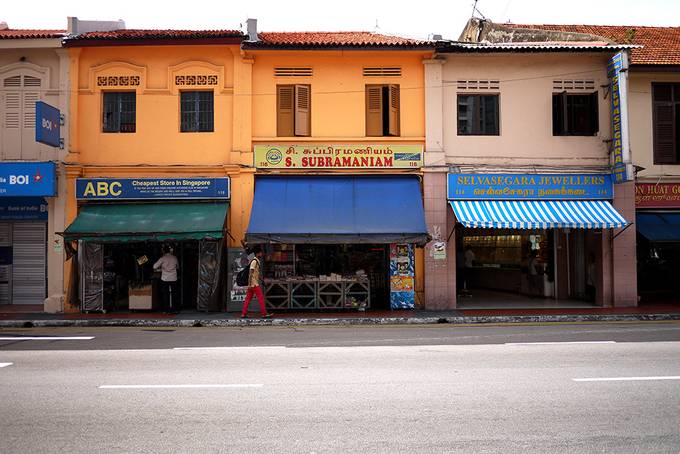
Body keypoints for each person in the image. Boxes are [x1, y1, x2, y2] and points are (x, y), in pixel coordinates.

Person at [241, 246, 272, 319]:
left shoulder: (255, 260)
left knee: (248, 299)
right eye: (260, 252)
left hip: (251, 284)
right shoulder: (254, 261)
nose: (261, 254)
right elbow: (251, 272)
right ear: (258, 253)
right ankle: (264, 314)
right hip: (254, 284)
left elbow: (255, 273)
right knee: (261, 297)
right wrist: (251, 283)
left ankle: (243, 313)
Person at [153, 244, 179, 313]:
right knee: (174, 294)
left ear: (163, 251)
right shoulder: (174, 258)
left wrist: (162, 267)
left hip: (165, 279)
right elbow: (177, 267)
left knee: (165, 294)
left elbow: (154, 266)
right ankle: (174, 309)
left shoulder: (162, 258)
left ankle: (166, 309)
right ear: (170, 251)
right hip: (173, 278)